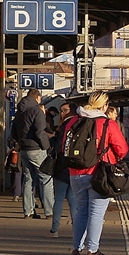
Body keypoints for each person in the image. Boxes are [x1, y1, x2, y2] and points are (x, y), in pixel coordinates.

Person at [58, 91, 127, 255]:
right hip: (99, 174)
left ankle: (76, 250)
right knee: (96, 213)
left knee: (81, 211)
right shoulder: (107, 124)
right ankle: (93, 251)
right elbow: (122, 149)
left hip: (75, 173)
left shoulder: (72, 121)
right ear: (104, 106)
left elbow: (63, 147)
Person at [11, 89, 54, 221]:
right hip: (37, 148)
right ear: (38, 98)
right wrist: (46, 147)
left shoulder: (19, 112)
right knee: (45, 178)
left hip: (24, 149)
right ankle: (49, 211)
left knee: (28, 179)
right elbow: (40, 131)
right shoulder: (36, 111)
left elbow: (14, 132)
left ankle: (27, 211)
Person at [48, 101, 73, 237]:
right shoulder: (80, 124)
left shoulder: (64, 126)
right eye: (61, 110)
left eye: (65, 110)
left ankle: (54, 229)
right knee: (73, 200)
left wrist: (52, 139)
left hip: (62, 165)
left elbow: (59, 147)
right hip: (75, 167)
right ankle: (77, 229)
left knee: (58, 198)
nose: (62, 113)